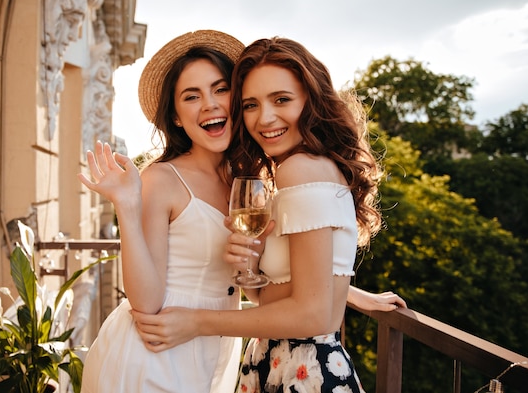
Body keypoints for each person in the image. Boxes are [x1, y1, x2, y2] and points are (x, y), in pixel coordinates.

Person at [131, 37, 406, 393]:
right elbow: (292, 290)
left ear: (311, 99)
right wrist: (253, 268)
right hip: (281, 361)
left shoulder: (300, 171)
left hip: (304, 370)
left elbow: (316, 314)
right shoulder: (297, 169)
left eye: (282, 100)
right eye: (250, 104)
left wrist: (196, 322)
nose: (265, 118)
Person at [77, 30, 246, 393]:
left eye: (220, 89)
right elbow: (147, 301)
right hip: (155, 353)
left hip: (215, 347)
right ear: (177, 117)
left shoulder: (246, 180)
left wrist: (347, 295)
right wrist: (127, 205)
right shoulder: (163, 178)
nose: (210, 104)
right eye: (192, 96)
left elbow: (269, 272)